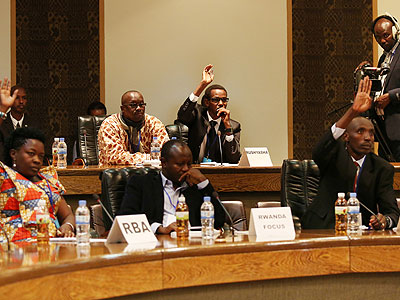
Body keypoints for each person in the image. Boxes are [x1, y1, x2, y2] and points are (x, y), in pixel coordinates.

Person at [301, 77, 400, 230]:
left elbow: (392, 213)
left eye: (371, 133)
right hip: (322, 228)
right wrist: (353, 111)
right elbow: (320, 149)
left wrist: (385, 220)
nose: (368, 137)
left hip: (360, 231)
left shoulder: (382, 168)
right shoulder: (333, 154)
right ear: (346, 136)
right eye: (360, 132)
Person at [0, 78, 75, 242]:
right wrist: (2, 109)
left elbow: (68, 214)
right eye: (31, 154)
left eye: (40, 156)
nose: (36, 160)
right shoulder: (4, 177)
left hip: (50, 248)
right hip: (13, 252)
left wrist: (67, 227)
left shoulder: (48, 181)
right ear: (13, 154)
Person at [117, 139, 225, 234]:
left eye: (189, 164)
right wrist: (159, 228)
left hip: (191, 242)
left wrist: (204, 183)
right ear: (164, 162)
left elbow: (219, 220)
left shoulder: (195, 186)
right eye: (180, 164)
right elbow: (126, 218)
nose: (186, 169)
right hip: (157, 244)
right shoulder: (143, 183)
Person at [177, 65, 241, 164]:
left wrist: (228, 128)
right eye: (216, 100)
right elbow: (182, 115)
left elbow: (234, 159)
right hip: (194, 169)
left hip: (219, 174)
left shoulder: (234, 126)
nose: (221, 103)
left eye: (224, 100)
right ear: (207, 102)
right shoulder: (197, 115)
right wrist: (202, 85)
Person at [97, 90, 169, 166]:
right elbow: (115, 157)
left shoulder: (154, 123)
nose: (139, 108)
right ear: (123, 108)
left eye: (141, 105)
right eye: (133, 105)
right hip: (115, 173)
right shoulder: (110, 125)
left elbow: (166, 153)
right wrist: (150, 157)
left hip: (148, 173)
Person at [370, 14, 400, 161]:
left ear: (395, 32)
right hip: (384, 132)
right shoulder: (384, 58)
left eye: (386, 35)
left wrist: (391, 96)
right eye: (378, 37)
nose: (382, 40)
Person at [0, 83, 34, 161]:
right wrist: (3, 108)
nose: (21, 101)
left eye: (24, 98)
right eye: (17, 98)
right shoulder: (2, 122)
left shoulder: (34, 123)